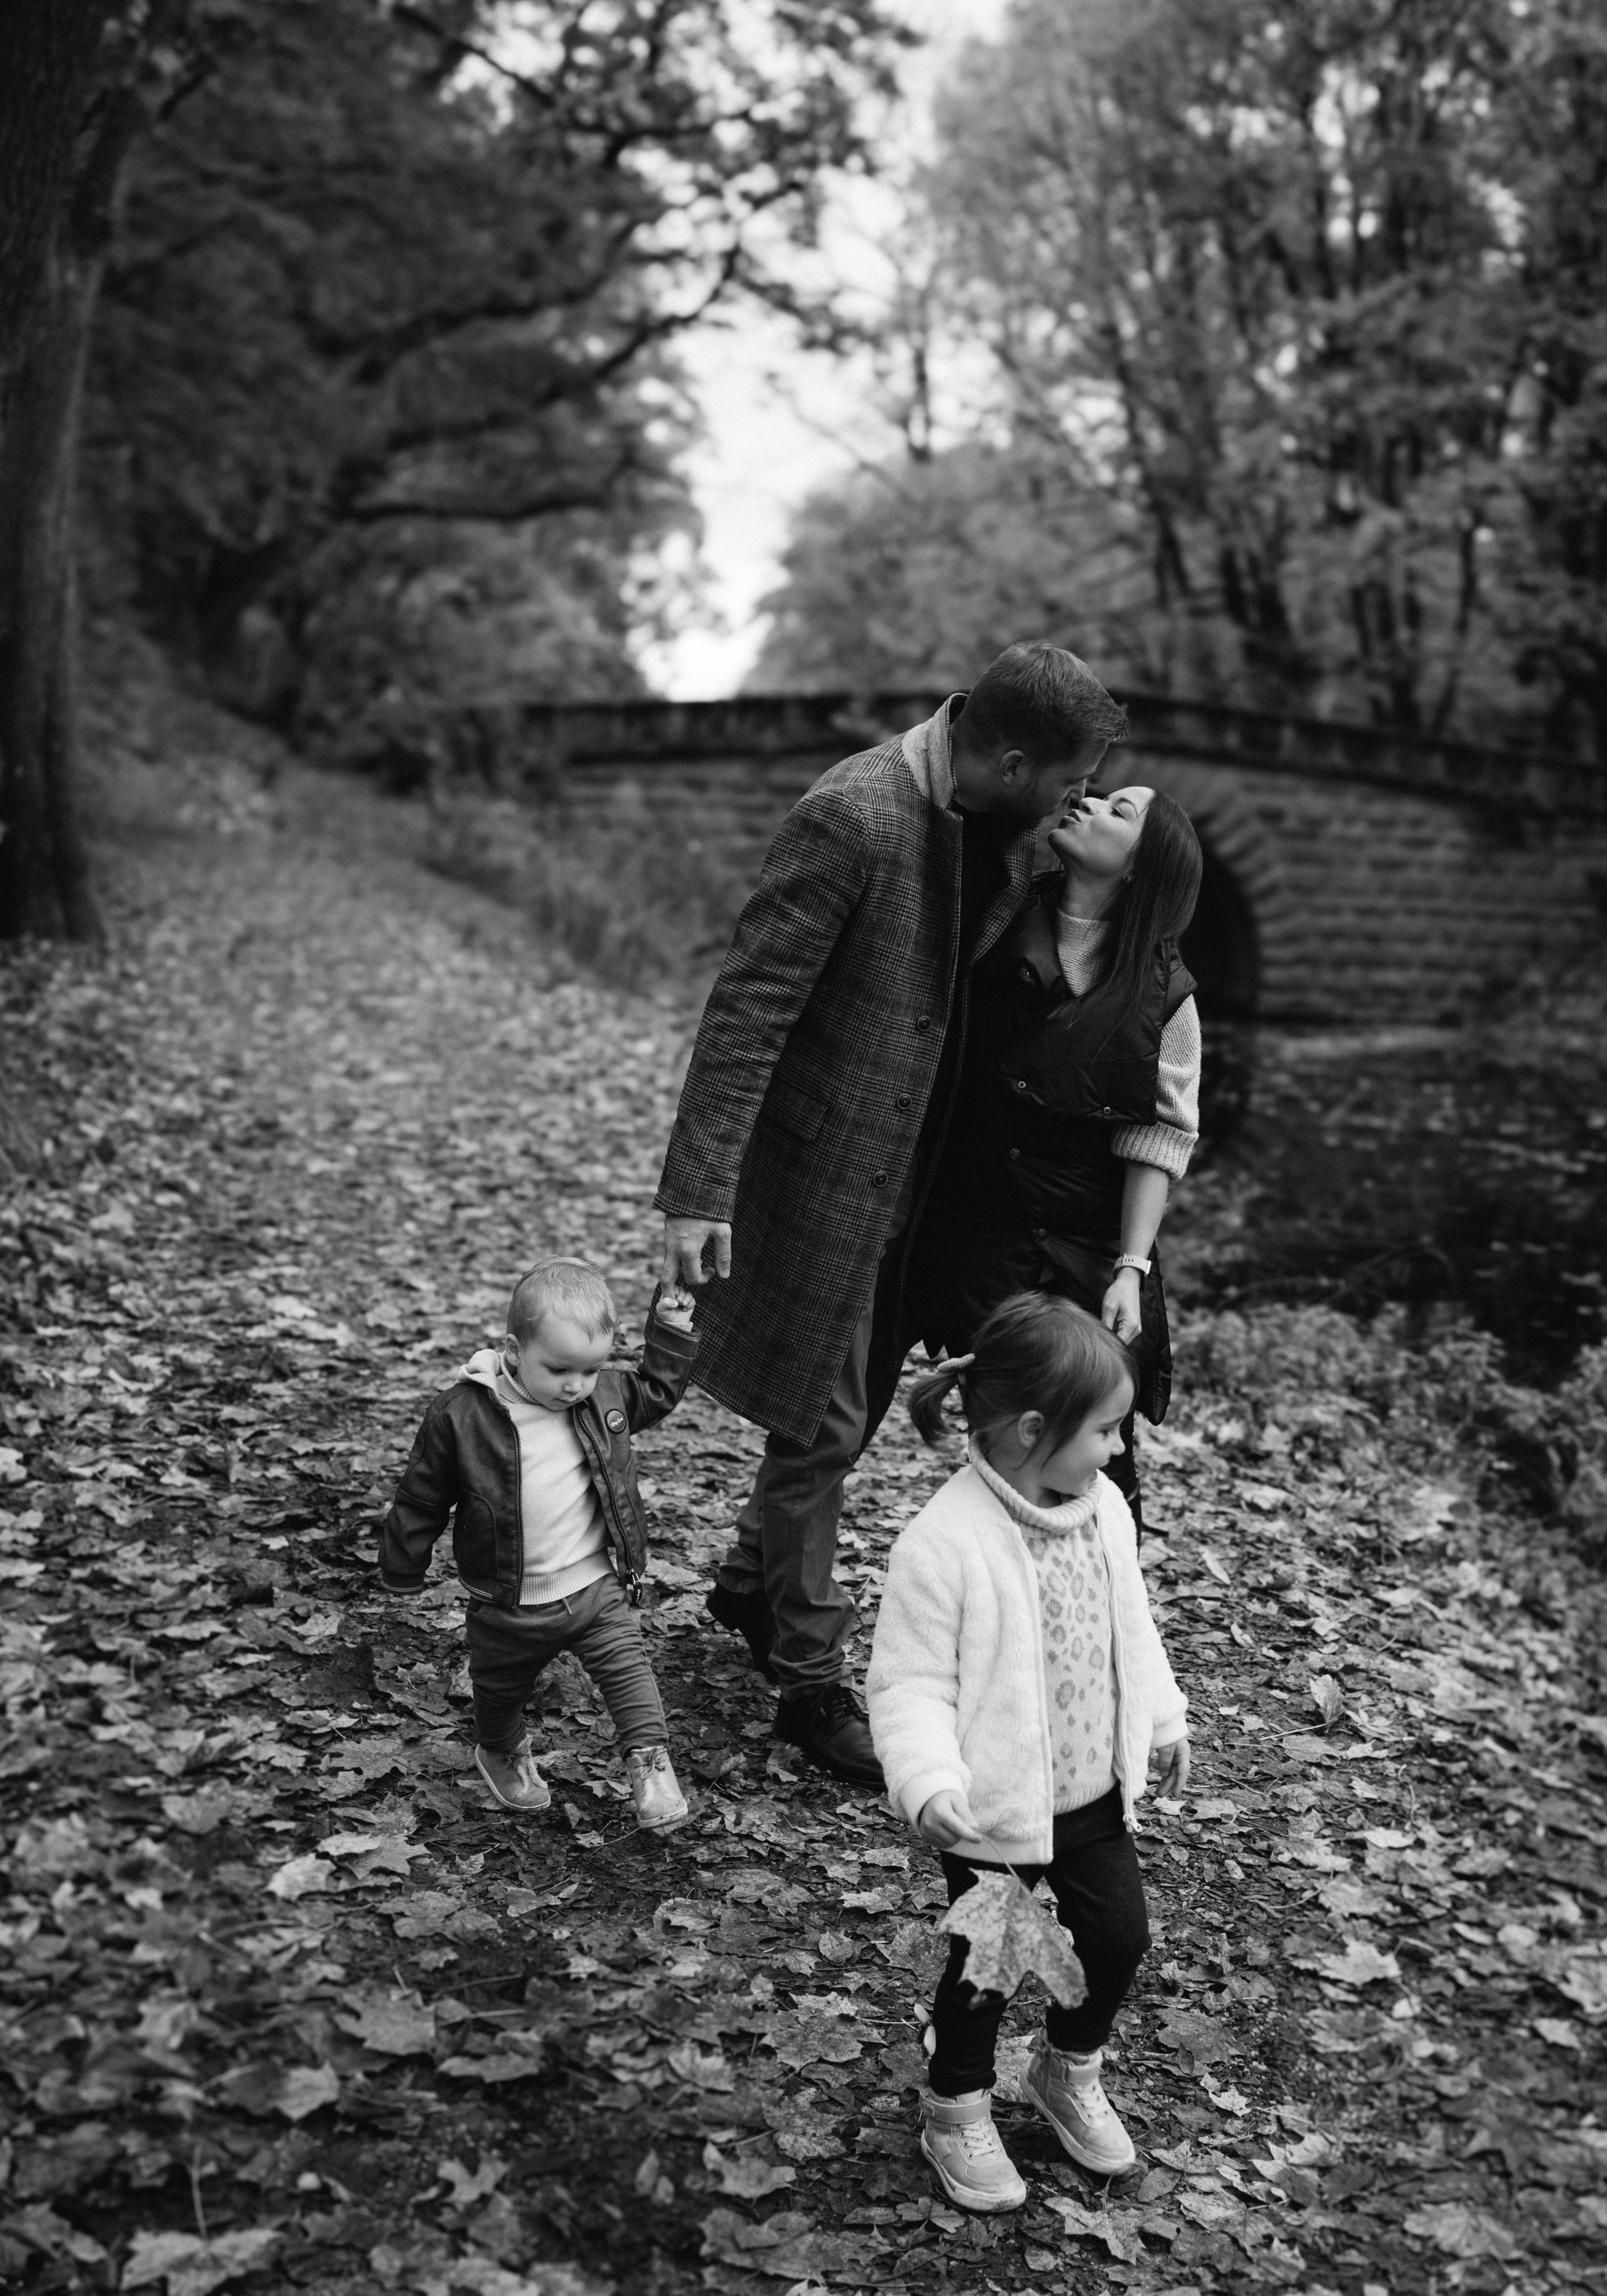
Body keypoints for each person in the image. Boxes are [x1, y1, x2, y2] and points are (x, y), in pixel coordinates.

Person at [655, 644, 1130, 1786]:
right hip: (825, 1179)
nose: (1074, 805)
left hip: (929, 1191)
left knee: (845, 1419)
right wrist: (697, 1189)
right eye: (1067, 782)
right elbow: (749, 1007)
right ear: (1010, 759)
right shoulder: (855, 814)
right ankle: (809, 1683)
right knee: (821, 1423)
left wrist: (1102, 884)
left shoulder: (1016, 831)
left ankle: (744, 1582)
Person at [866, 1293, 1189, 2212]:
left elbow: (1134, 1629)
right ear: (1032, 1431)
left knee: (1119, 1939)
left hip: (1093, 1790)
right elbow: (910, 1683)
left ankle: (1066, 2070)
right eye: (1107, 1431)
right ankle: (957, 2106)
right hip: (995, 1811)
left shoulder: (1104, 1513)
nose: (1119, 1451)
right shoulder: (946, 1542)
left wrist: (1164, 1718)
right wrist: (926, 1777)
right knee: (990, 1969)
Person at [905, 783, 1203, 1536]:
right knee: (1007, 1434)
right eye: (1097, 794)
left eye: (1120, 812)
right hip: (975, 1226)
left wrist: (1130, 1271)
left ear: (1142, 867)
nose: (1090, 802)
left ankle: (1104, 1612)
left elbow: (1158, 1140)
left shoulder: (1165, 992)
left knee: (1097, 1440)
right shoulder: (995, 920)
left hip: (1085, 1242)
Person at [377, 1258, 697, 1833]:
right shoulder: (463, 1415)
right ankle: (500, 1750)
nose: (576, 1385)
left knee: (630, 1674)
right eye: (560, 1370)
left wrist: (670, 1333)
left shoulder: (602, 1399)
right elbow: (422, 1497)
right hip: (508, 1601)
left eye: (592, 1369)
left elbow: (657, 1391)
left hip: (594, 1583)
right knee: (500, 1692)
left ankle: (650, 1764)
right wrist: (403, 1565)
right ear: (515, 1350)